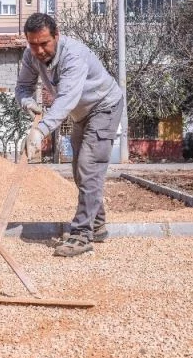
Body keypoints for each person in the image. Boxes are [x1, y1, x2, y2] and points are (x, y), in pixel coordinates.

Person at [15, 13, 123, 257]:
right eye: (33, 44)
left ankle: (82, 234)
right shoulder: (30, 56)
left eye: (44, 43)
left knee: (89, 166)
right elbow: (22, 87)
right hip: (81, 114)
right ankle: (97, 223)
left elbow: (66, 99)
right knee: (79, 170)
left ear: (57, 35)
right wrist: (28, 103)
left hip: (104, 106)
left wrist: (40, 131)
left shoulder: (74, 55)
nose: (39, 50)